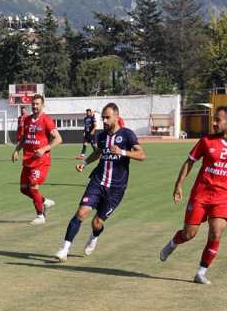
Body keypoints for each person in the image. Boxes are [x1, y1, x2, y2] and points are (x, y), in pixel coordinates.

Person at [55, 103, 145, 261]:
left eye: (107, 117)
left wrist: (122, 152)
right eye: (102, 117)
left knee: (97, 223)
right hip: (97, 181)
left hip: (116, 189)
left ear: (116, 117)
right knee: (81, 213)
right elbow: (98, 152)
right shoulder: (102, 136)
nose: (104, 120)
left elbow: (141, 155)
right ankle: (64, 249)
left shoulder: (128, 134)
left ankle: (94, 236)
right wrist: (84, 163)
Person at [159, 106, 227, 285]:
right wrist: (178, 185)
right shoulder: (206, 141)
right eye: (214, 119)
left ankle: (201, 273)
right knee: (189, 234)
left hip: (222, 198)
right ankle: (173, 242)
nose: (213, 123)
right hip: (201, 195)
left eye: (218, 120)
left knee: (216, 232)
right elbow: (190, 162)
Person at [12, 94, 62, 224]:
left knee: (33, 186)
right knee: (24, 189)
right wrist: (17, 150)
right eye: (33, 104)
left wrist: (44, 149)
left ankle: (40, 216)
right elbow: (24, 138)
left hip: (41, 161)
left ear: (42, 105)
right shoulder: (27, 120)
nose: (34, 106)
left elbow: (58, 139)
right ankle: (44, 201)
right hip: (28, 160)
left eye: (37, 104)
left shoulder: (46, 120)